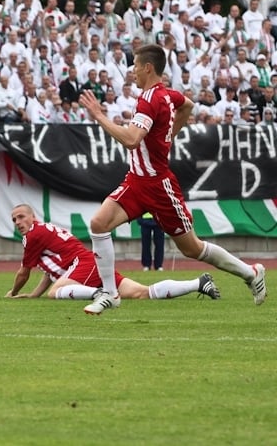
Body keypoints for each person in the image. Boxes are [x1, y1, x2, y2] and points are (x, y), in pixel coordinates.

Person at [78, 44, 267, 315]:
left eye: (135, 67)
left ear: (148, 67)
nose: (132, 72)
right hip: (136, 181)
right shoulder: (167, 94)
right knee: (98, 224)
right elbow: (187, 105)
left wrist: (98, 116)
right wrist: (168, 137)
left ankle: (250, 273)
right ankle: (110, 293)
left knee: (192, 248)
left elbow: (131, 140)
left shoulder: (150, 99)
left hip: (158, 186)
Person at [4, 204, 219, 300]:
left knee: (55, 293)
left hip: (84, 265)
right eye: (14, 219)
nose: (18, 221)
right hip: (87, 265)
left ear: (32, 216)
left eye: (21, 216)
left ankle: (101, 294)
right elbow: (50, 272)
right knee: (143, 293)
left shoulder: (33, 235)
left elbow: (24, 272)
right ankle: (198, 283)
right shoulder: (42, 230)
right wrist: (33, 295)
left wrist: (12, 293)